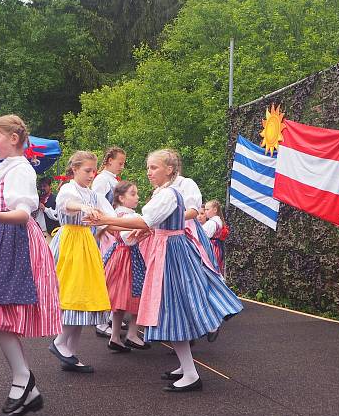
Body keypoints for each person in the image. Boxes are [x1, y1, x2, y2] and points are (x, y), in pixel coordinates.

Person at [87, 149, 243, 392]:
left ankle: (191, 373)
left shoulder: (169, 194)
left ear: (170, 170)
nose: (149, 172)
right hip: (168, 249)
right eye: (148, 168)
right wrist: (124, 225)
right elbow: (148, 223)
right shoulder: (165, 193)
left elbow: (143, 220)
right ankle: (187, 367)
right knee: (173, 309)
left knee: (173, 308)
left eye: (154, 168)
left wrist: (105, 221)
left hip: (171, 252)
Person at [0, 114, 62, 416]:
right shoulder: (5, 168)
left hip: (16, 241)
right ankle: (24, 384)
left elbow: (22, 213)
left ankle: (24, 382)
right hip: (2, 239)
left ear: (14, 139)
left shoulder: (19, 169)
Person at [49, 151, 115, 373]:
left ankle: (70, 353)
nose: (91, 174)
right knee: (75, 293)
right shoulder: (69, 188)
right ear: (75, 169)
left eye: (93, 171)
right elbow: (67, 204)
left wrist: (138, 227)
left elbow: (110, 216)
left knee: (85, 295)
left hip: (86, 242)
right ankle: (60, 342)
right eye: (87, 170)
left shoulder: (93, 194)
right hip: (71, 242)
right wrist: (82, 207)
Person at [101, 180, 149, 352]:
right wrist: (142, 233)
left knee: (120, 298)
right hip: (128, 257)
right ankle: (132, 333)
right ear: (121, 197)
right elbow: (129, 239)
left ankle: (115, 336)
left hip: (118, 255)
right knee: (138, 293)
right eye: (133, 194)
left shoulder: (116, 214)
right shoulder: (129, 216)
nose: (137, 197)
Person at [92, 146, 126, 337]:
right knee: (106, 274)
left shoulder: (111, 180)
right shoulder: (102, 180)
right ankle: (102, 320)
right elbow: (96, 203)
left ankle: (112, 318)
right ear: (109, 160)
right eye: (119, 162)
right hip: (105, 230)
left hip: (112, 228)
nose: (121, 166)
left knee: (113, 274)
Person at [202, 200, 228, 274]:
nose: (205, 211)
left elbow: (203, 237)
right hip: (217, 248)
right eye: (205, 209)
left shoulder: (211, 223)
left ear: (215, 210)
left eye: (207, 209)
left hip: (211, 248)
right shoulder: (218, 221)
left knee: (210, 271)